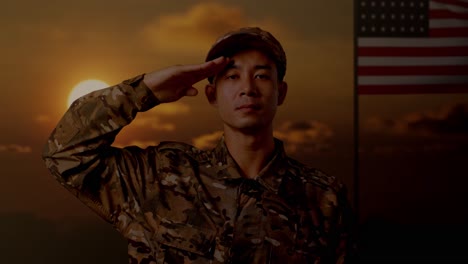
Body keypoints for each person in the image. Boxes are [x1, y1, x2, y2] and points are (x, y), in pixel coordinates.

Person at [43, 27, 355, 264]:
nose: (247, 88)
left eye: (261, 76)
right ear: (211, 95)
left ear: (281, 92)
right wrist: (145, 89)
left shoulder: (323, 197)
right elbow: (64, 154)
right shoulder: (158, 177)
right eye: (232, 77)